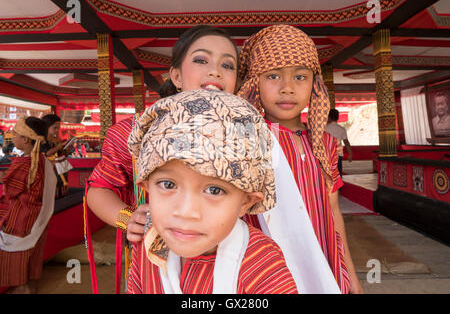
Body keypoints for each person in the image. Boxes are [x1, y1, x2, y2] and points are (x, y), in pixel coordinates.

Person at [86, 25, 339, 294]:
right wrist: (127, 218)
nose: (215, 71)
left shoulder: (247, 130)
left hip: (237, 259)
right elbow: (98, 188)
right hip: (159, 252)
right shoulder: (139, 129)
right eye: (200, 60)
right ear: (176, 75)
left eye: (227, 65)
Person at [126, 89, 297, 294]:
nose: (186, 211)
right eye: (168, 185)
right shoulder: (148, 242)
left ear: (246, 202)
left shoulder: (262, 264)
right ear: (146, 187)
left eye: (214, 190)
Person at [237, 24, 363, 294]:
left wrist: (350, 273)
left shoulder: (325, 143)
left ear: (315, 85)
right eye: (273, 76)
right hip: (266, 270)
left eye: (300, 77)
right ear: (254, 83)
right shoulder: (246, 141)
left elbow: (333, 211)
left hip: (324, 265)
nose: (287, 88)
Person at [0, 116, 57, 294]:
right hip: (37, 220)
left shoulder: (24, 164)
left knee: (16, 259)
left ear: (25, 139)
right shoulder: (42, 161)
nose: (12, 136)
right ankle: (30, 287)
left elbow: (10, 191)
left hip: (21, 220)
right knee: (32, 257)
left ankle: (21, 288)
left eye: (15, 134)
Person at [41, 114, 73, 198]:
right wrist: (60, 145)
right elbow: (47, 153)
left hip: (60, 168)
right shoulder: (41, 140)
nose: (56, 130)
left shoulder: (56, 140)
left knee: (61, 192)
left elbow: (61, 154)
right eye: (54, 128)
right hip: (48, 170)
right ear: (46, 127)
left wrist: (67, 148)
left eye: (57, 128)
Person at [325, 109, 353, 176]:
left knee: (326, 173)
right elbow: (346, 142)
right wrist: (350, 153)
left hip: (326, 154)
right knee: (337, 173)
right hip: (338, 154)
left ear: (329, 117)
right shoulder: (342, 129)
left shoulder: (324, 128)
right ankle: (338, 186)